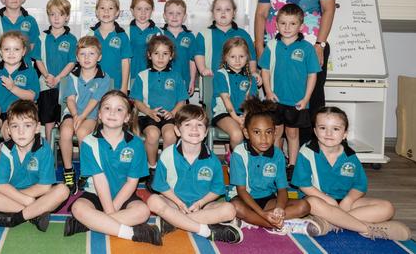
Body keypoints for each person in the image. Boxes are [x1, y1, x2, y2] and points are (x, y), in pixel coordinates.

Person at [254, 0, 337, 146]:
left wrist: (320, 44)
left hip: (310, 45)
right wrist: (260, 49)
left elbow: (328, 8)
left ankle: (312, 150)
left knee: (312, 98)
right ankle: (277, 157)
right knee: (276, 102)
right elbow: (261, 14)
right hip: (276, 48)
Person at [291, 107, 412, 240]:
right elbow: (304, 185)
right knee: (312, 203)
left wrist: (348, 200)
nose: (329, 133)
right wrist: (328, 200)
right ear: (315, 131)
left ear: (344, 134)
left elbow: (359, 186)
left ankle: (329, 223)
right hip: (320, 201)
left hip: (344, 204)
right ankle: (367, 228)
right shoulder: (307, 152)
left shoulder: (350, 156)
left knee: (387, 208)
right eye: (322, 128)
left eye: (336, 129)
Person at [64, 90, 162, 246]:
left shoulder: (136, 143)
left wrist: (111, 210)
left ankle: (91, 223)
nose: (112, 113)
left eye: (119, 109)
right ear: (100, 115)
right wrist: (111, 211)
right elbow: (99, 180)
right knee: (78, 208)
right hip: (95, 192)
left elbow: (132, 182)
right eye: (107, 108)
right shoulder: (90, 142)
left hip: (123, 194)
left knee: (142, 211)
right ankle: (131, 233)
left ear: (127, 117)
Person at [146, 104, 242, 244]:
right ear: (177, 131)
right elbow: (160, 185)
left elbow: (217, 190)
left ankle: (173, 222)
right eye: (188, 124)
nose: (194, 129)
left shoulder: (212, 160)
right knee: (153, 201)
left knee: (230, 210)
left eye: (199, 125)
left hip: (202, 206)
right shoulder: (167, 155)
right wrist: (178, 203)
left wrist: (200, 203)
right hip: (175, 203)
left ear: (206, 132)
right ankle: (206, 230)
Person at [229, 98, 319, 236]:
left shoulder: (277, 154)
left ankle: (255, 221)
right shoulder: (239, 153)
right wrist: (263, 214)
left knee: (304, 206)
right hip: (244, 199)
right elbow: (241, 191)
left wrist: (280, 208)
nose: (264, 138)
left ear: (275, 133)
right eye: (257, 132)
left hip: (267, 199)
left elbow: (282, 189)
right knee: (234, 208)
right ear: (246, 133)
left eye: (269, 132)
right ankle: (279, 223)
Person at [0, 100, 69, 232]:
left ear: (37, 128)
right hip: (14, 195)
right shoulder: (6, 149)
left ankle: (14, 219)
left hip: (35, 196)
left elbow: (44, 186)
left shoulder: (44, 149)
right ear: (8, 129)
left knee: (63, 190)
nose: (21, 132)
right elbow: (2, 185)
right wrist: (27, 201)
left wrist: (24, 197)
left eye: (27, 126)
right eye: (15, 126)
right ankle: (35, 213)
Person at [259, 4, 320, 171]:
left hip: (297, 101)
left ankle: (292, 165)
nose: (287, 27)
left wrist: (306, 98)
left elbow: (312, 75)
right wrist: (269, 91)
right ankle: (277, 164)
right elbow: (264, 70)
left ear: (301, 26)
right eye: (283, 23)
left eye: (292, 24)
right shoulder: (272, 46)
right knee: (276, 133)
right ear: (276, 24)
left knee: (292, 134)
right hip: (275, 99)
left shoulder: (307, 48)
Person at [0, 31, 40, 187]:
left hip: (19, 113)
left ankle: (16, 171)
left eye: (16, 49)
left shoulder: (29, 70)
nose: (11, 53)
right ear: (0, 51)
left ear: (23, 51)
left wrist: (13, 88)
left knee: (10, 132)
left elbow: (32, 96)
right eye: (7, 49)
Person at [131, 35, 187, 192]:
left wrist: (173, 112)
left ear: (171, 56)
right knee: (153, 135)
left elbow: (182, 100)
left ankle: (165, 168)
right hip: (148, 115)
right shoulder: (143, 76)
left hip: (169, 116)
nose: (160, 57)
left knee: (170, 135)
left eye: (165, 53)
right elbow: (136, 101)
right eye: (156, 53)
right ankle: (152, 168)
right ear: (149, 55)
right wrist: (148, 111)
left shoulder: (176, 76)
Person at [58, 36, 112, 193]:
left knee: (82, 133)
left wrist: (82, 117)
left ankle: (85, 171)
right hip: (73, 112)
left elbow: (95, 101)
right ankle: (68, 171)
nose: (87, 58)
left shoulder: (104, 77)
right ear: (77, 57)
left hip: (92, 114)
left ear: (99, 57)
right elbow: (70, 99)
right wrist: (75, 115)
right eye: (83, 54)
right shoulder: (72, 76)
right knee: (66, 132)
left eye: (91, 54)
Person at [33, 0, 77, 142]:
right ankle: (47, 147)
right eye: (53, 14)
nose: (56, 18)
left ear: (67, 17)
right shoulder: (42, 37)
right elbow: (38, 59)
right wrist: (47, 76)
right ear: (48, 16)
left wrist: (58, 78)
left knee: (64, 119)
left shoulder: (71, 39)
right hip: (46, 85)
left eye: (61, 14)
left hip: (64, 85)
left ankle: (60, 148)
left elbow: (72, 62)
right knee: (48, 119)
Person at [212, 37, 260, 150]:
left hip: (243, 115)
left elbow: (250, 101)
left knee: (259, 131)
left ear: (247, 57)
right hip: (224, 114)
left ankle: (252, 159)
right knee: (237, 135)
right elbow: (226, 99)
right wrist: (236, 118)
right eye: (233, 57)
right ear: (225, 58)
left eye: (241, 56)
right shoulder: (221, 75)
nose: (237, 60)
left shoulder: (250, 78)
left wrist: (245, 116)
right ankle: (235, 162)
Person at [195, 0, 258, 77]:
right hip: (212, 83)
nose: (223, 12)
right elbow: (198, 55)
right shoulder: (203, 35)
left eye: (227, 9)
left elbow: (252, 58)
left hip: (240, 84)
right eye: (218, 9)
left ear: (234, 13)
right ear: (213, 13)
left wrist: (253, 72)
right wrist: (203, 69)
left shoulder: (243, 35)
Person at [89, 0, 131, 94]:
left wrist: (124, 87)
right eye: (102, 8)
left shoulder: (122, 36)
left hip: (115, 85)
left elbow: (126, 62)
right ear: (97, 12)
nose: (106, 11)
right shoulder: (90, 35)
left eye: (111, 8)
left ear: (117, 13)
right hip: (93, 85)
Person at [162, 0, 197, 96]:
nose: (174, 16)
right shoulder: (159, 34)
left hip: (183, 81)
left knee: (181, 110)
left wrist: (192, 80)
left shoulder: (190, 36)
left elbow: (192, 60)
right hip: (161, 82)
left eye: (178, 13)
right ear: (164, 16)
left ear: (185, 17)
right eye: (170, 13)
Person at [127, 0, 162, 83]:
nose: (143, 13)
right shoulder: (126, 32)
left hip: (152, 78)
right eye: (139, 9)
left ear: (152, 10)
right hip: (130, 78)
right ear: (132, 10)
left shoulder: (158, 32)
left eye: (147, 9)